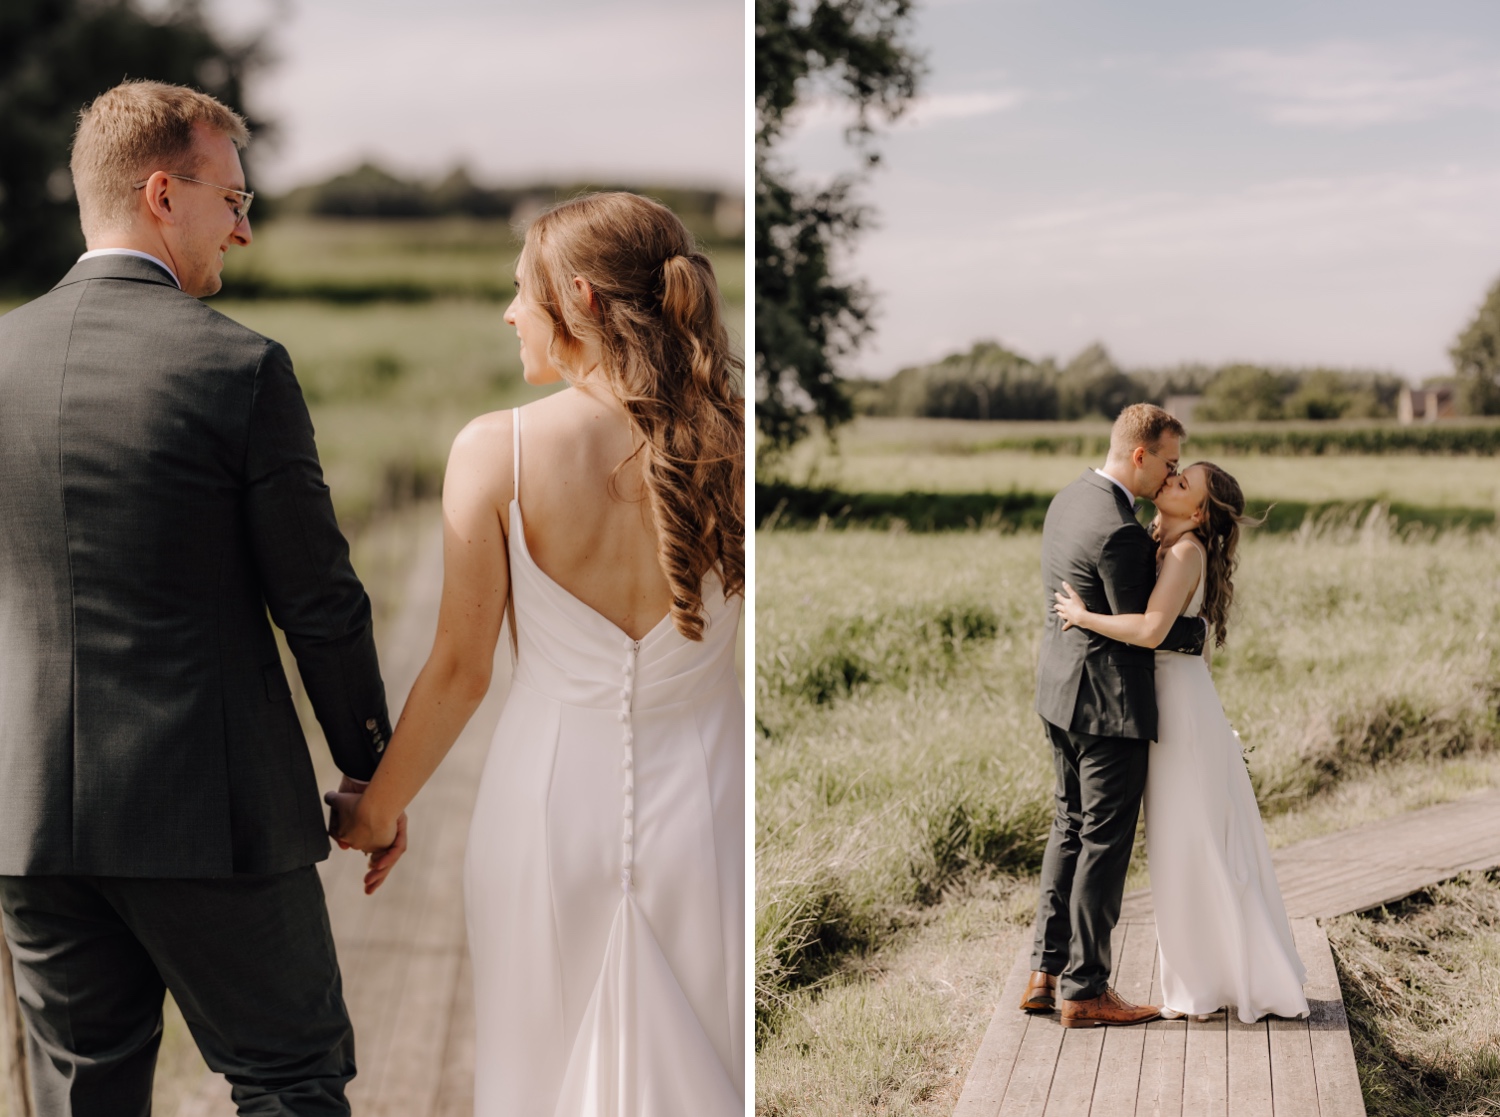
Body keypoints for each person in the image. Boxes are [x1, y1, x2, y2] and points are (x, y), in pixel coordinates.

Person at [0, 81, 403, 1116]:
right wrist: (372, 768)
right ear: (162, 192)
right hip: (209, 816)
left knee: (80, 1097)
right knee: (288, 1079)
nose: (247, 229)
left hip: (29, 817)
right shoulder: (240, 368)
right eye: (234, 199)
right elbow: (318, 599)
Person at [327, 192, 745, 1114]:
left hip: (544, 820)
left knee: (535, 1074)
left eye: (522, 290)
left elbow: (458, 671)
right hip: (713, 818)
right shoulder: (737, 444)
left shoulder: (495, 449)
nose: (509, 311)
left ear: (583, 301)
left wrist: (376, 810)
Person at [1053, 462, 1309, 1023]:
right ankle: (1207, 972)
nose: (1170, 480)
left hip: (1179, 709)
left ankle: (1223, 974)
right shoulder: (1159, 541)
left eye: (1182, 483)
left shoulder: (1185, 551)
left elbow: (1150, 630)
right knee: (1180, 843)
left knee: (1192, 842)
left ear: (1197, 512)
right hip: (1168, 700)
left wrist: (1082, 615)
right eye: (1174, 474)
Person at [1024, 403, 1208, 1028]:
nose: (1170, 474)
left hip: (1059, 695)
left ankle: (1044, 972)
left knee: (1068, 828)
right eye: (1168, 462)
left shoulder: (1067, 499)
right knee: (1103, 844)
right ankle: (1086, 990)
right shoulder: (1122, 530)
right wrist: (1200, 632)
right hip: (1109, 708)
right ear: (1140, 455)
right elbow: (1145, 630)